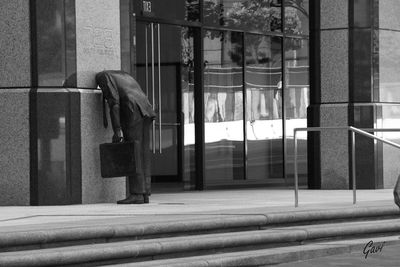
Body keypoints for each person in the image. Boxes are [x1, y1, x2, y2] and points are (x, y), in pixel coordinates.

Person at [96, 70, 156, 204]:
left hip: (132, 109)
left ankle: (136, 193)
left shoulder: (103, 77)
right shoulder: (123, 75)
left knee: (133, 151)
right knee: (142, 151)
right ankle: (144, 192)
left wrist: (117, 130)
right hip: (146, 108)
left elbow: (114, 103)